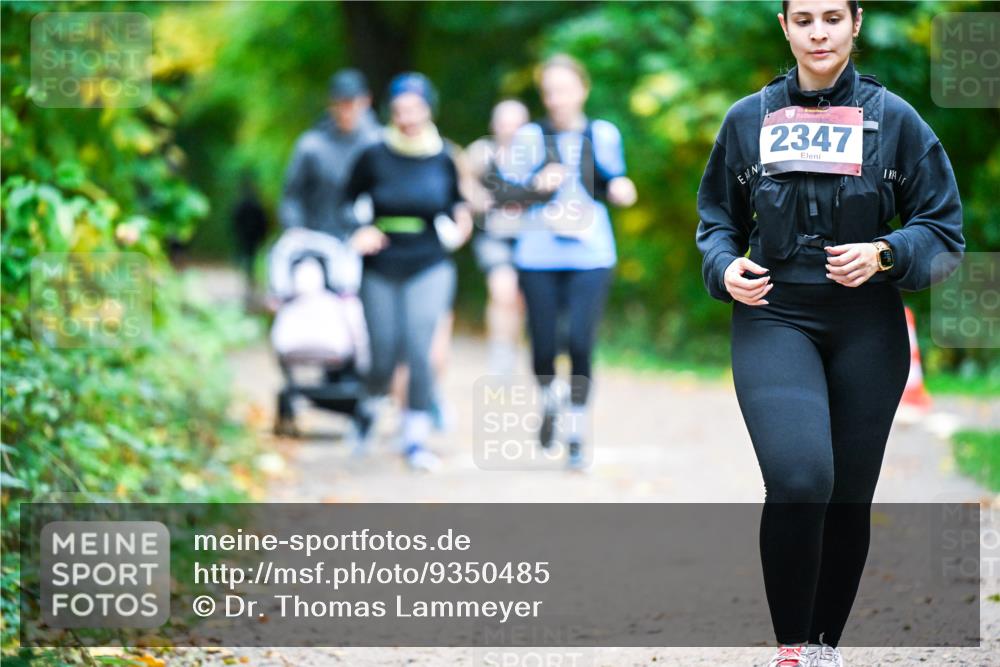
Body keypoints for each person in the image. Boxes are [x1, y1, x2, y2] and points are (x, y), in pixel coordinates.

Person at [695, 2, 964, 665]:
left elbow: (944, 233)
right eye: (805, 18)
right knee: (800, 475)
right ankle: (790, 647)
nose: (819, 32)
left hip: (866, 324)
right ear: (785, 27)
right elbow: (715, 222)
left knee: (847, 492)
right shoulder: (747, 119)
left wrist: (886, 253)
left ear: (856, 24)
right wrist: (724, 266)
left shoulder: (895, 121)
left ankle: (821, 647)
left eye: (832, 18)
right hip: (774, 314)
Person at [498, 54, 637, 470]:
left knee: (579, 341)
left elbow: (614, 180)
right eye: (549, 91)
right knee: (543, 346)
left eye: (564, 89)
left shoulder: (603, 134)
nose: (557, 99)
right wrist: (534, 188)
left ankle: (576, 432)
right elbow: (503, 196)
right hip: (537, 255)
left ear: (583, 89)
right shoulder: (528, 138)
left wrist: (622, 189)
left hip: (591, 254)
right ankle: (550, 401)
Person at [344, 72, 473, 471]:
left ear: (429, 110)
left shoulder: (445, 155)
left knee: (420, 348)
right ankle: (368, 407)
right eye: (400, 110)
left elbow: (458, 203)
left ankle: (415, 437)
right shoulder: (373, 154)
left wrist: (463, 222)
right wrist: (359, 229)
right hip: (381, 262)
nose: (408, 118)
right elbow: (346, 202)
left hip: (429, 260)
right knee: (383, 351)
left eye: (415, 109)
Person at [461, 99, 531, 376]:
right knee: (503, 292)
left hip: (530, 237)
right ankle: (501, 357)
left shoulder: (536, 154)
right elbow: (461, 179)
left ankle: (515, 348)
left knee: (522, 298)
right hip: (494, 235)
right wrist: (478, 198)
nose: (510, 129)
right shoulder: (482, 152)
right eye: (504, 123)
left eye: (516, 123)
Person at [279, 68, 382, 242]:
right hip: (321, 240)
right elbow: (292, 196)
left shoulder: (381, 144)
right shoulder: (311, 146)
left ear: (366, 101)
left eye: (351, 103)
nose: (346, 111)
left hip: (371, 243)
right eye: (340, 103)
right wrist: (295, 229)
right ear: (331, 104)